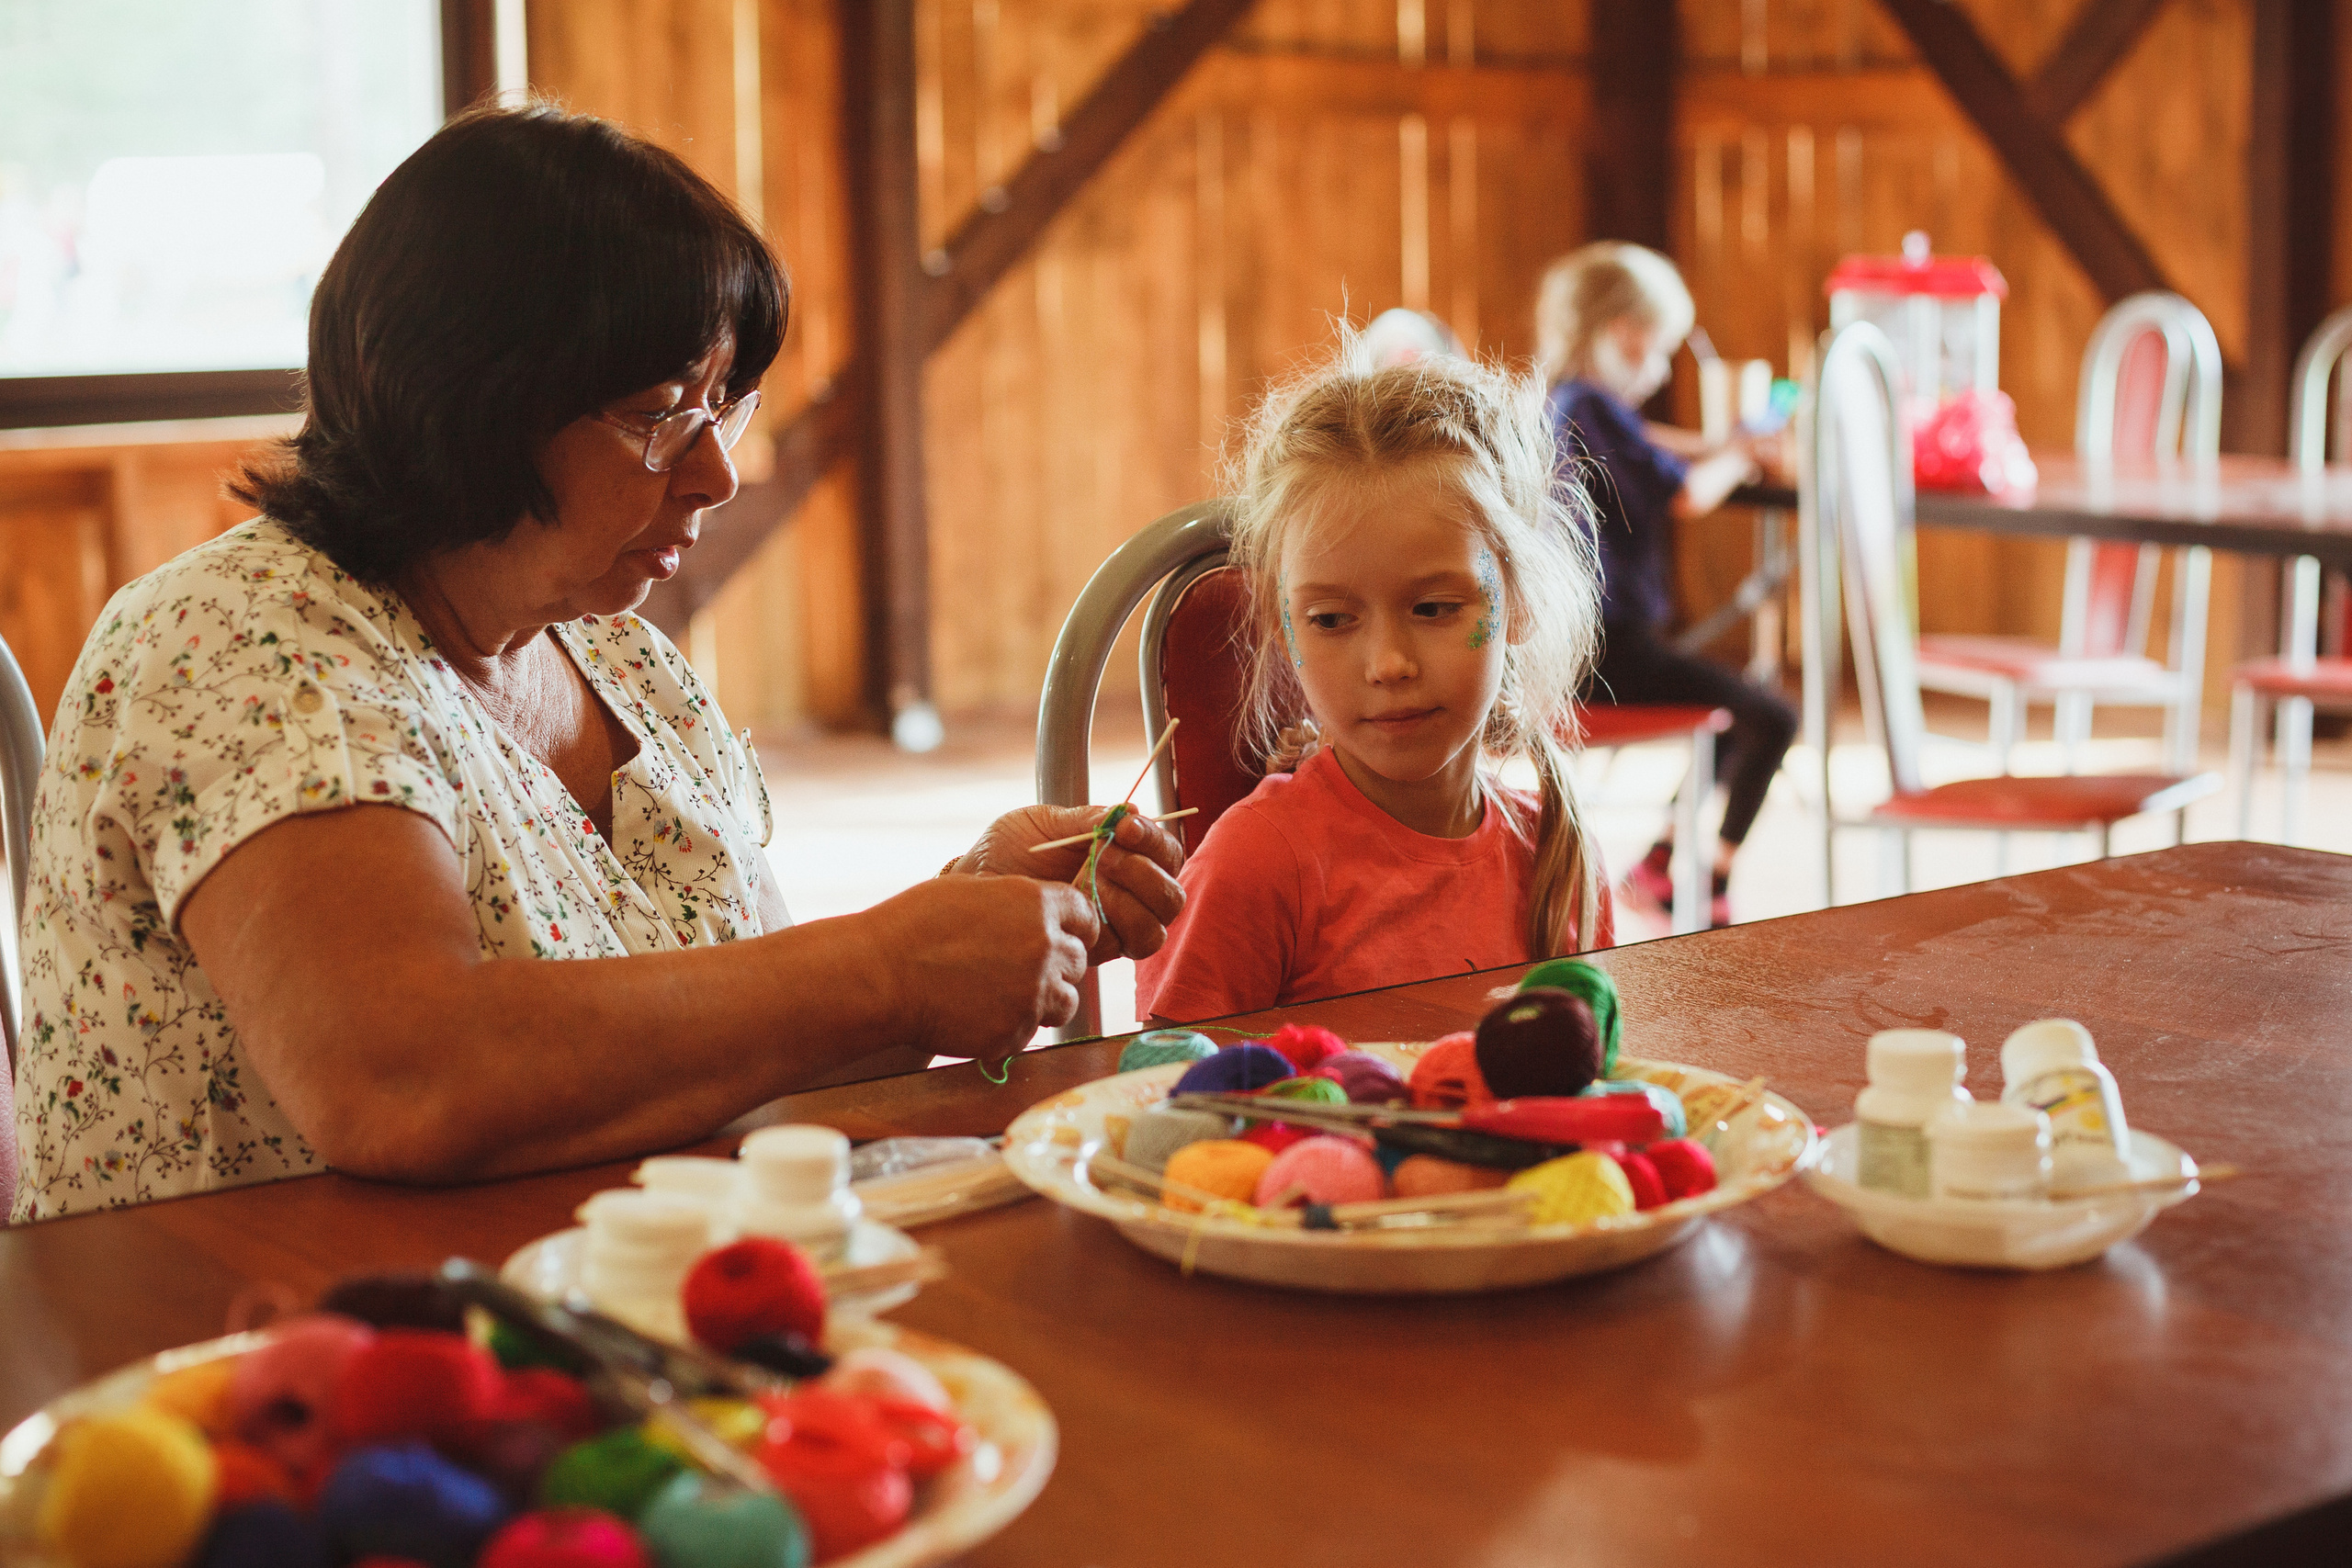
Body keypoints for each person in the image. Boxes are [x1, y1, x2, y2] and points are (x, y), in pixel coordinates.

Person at [9, 105, 1182, 1223]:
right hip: (253, 1363)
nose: (717, 472)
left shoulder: (620, 657)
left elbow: (727, 1045)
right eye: (664, 410)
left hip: (600, 1297)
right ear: (468, 400)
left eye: (725, 403)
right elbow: (400, 1081)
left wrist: (961, 918)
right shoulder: (242, 642)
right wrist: (885, 965)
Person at [1135, 346, 1612, 1023]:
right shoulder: (1255, 868)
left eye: (1434, 608)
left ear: (1519, 600)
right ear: (1280, 624)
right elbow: (1170, 1095)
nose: (1388, 663)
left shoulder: (1559, 861)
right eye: (1331, 619)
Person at [1537, 242, 1798, 928]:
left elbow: (1651, 445)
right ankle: (1703, 873)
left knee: (1733, 712)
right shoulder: (1588, 405)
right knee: (1770, 717)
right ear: (1627, 333)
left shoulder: (1568, 400)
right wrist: (1740, 456)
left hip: (1585, 648)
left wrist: (1729, 442)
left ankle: (1660, 859)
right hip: (1604, 655)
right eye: (1660, 351)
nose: (1657, 370)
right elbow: (1684, 492)